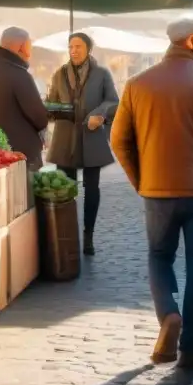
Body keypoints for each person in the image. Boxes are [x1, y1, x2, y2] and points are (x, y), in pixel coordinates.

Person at [110, 13, 193, 369]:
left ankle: (169, 314)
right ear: (191, 41)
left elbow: (119, 140)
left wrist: (142, 180)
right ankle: (190, 348)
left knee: (159, 257)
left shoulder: (137, 84)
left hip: (157, 192)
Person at [46, 32, 120, 256]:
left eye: (78, 46)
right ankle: (67, 235)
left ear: (88, 48)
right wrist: (52, 109)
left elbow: (113, 101)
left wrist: (100, 115)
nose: (74, 50)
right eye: (70, 47)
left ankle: (88, 237)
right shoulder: (59, 74)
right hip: (65, 138)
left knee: (92, 189)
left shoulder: (101, 74)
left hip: (91, 137)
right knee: (65, 190)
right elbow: (52, 101)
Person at [0, 27, 49, 170]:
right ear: (20, 47)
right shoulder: (20, 75)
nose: (30, 53)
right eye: (29, 47)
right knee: (24, 190)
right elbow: (39, 117)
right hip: (22, 154)